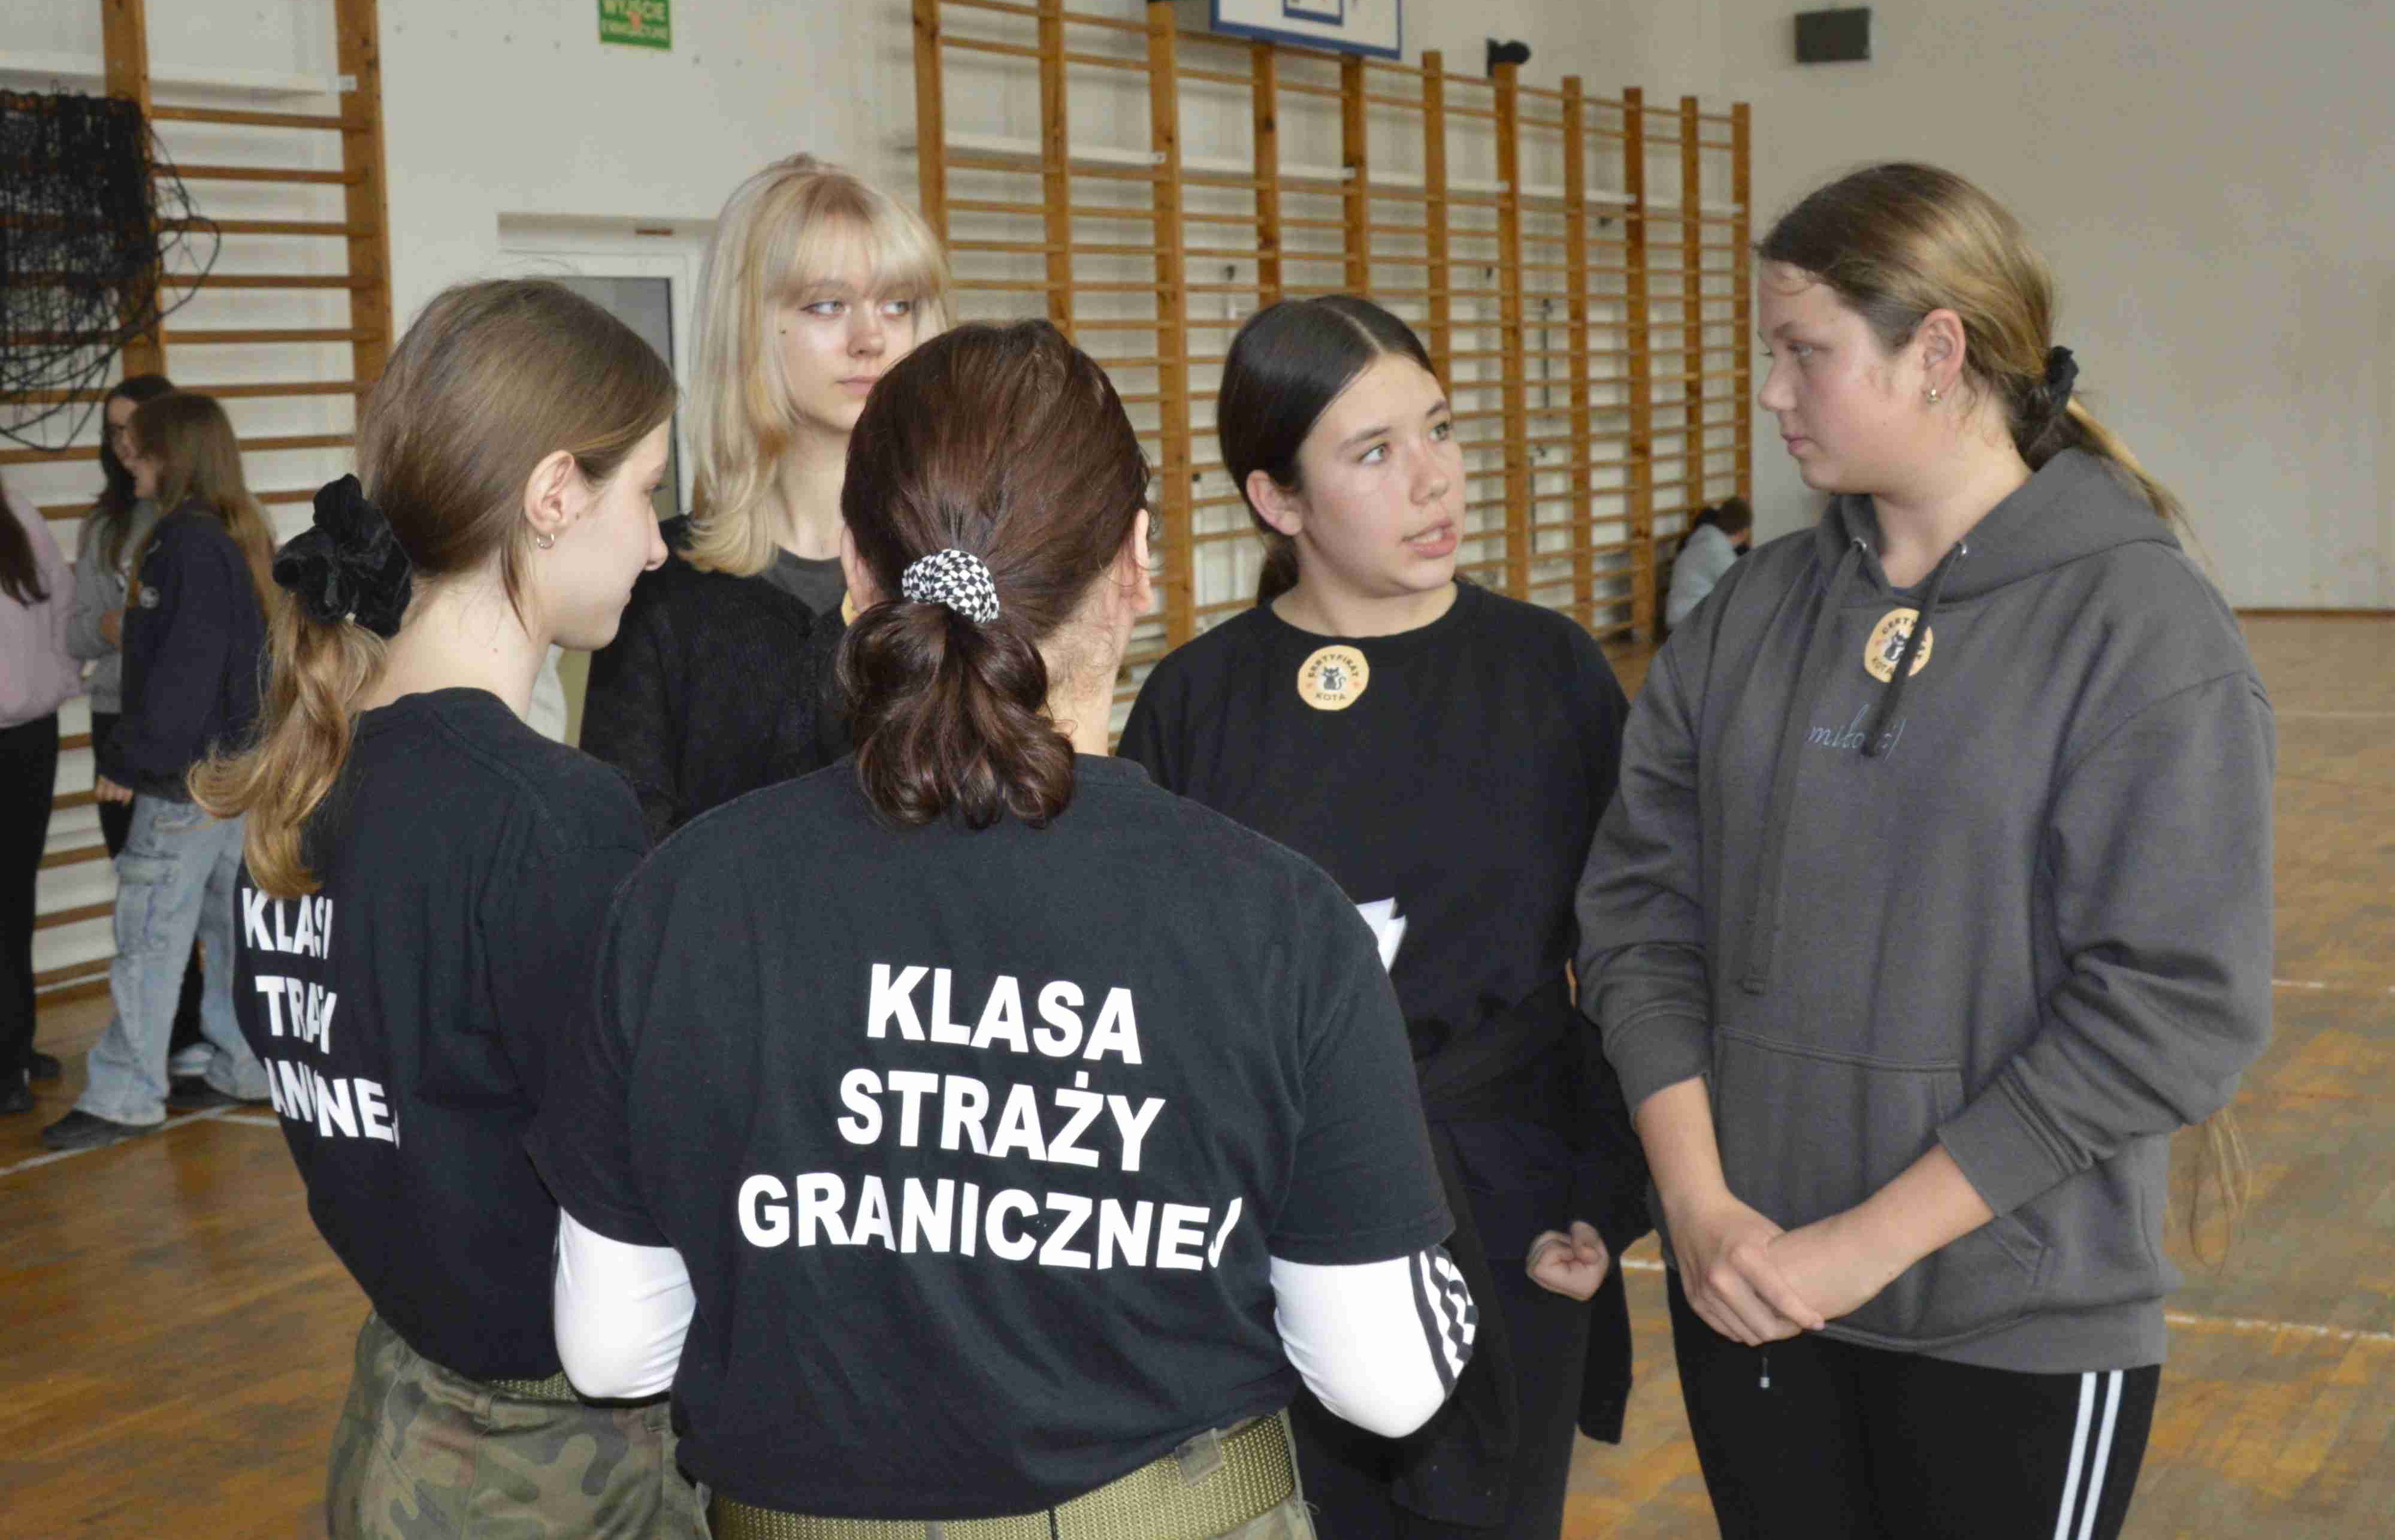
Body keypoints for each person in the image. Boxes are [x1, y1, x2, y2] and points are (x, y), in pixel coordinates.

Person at [530, 320, 1469, 1538]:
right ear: (1137, 560)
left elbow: (612, 1350)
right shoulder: (1276, 920)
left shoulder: (685, 896)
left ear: (858, 572)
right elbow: (1388, 1382)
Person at [1576, 162, 2274, 1540]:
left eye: (1804, 353)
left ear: (1936, 352)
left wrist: (1858, 1248)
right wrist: (1700, 1209)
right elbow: (1636, 921)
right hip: (1750, 1296)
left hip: (2015, 1327)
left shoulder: (2139, 630)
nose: (1770, 392)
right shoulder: (1748, 613)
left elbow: (2172, 1007)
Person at [1117, 295, 1652, 1539]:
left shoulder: (1549, 671)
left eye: (1439, 430)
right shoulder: (1197, 702)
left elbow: (1632, 957)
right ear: (1276, 500)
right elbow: (1148, 1006)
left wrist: (1605, 1191)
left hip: (1511, 1205)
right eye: (1373, 452)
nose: (1433, 480)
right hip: (1269, 1227)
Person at [190, 280, 701, 1538]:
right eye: (644, 494)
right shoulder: (546, 817)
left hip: (400, 1422)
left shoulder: (303, 787)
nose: (654, 546)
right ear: (554, 493)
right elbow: (646, 1180)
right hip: (558, 1473)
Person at [580, 153, 952, 839]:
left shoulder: (962, 572)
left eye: (897, 305)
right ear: (750, 326)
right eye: (827, 305)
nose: (871, 339)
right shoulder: (660, 588)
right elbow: (625, 850)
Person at [41, 392, 276, 1151]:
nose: (127, 457)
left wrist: (129, 759)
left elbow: (183, 672)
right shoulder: (225, 535)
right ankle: (244, 1063)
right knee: (229, 929)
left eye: (139, 446)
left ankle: (125, 1093)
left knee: (148, 933)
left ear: (173, 456)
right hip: (229, 776)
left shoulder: (186, 543)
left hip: (186, 783)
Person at [69, 374, 208, 1084]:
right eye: (114, 431)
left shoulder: (203, 523)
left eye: (136, 429)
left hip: (191, 729)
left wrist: (146, 622)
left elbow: (204, 638)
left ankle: (213, 1040)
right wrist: (126, 623)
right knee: (143, 887)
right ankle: (171, 1038)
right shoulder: (107, 526)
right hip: (120, 720)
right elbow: (80, 634)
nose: (125, 445)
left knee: (197, 890)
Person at [1, 471, 83, 1115]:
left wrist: (54, 681)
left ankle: (13, 1051)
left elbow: (63, 607)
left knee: (13, 896)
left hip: (27, 737)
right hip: (26, 734)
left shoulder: (18, 512)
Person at [1661, 495, 1752, 632]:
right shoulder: (1718, 551)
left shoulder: (1705, 538)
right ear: (1743, 532)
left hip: (1682, 618)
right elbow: (1742, 592)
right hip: (1688, 624)